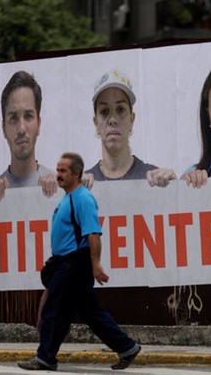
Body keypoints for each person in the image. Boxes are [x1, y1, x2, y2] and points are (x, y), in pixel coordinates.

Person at [18, 152, 141, 371]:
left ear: (77, 173)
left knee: (53, 311)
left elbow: (93, 234)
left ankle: (45, 357)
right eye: (57, 170)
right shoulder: (68, 198)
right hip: (66, 264)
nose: (58, 175)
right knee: (91, 313)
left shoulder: (83, 199)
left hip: (73, 264)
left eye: (63, 171)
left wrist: (95, 265)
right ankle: (127, 347)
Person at [86, 70, 176, 186]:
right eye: (104, 111)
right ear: (96, 123)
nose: (113, 120)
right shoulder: (82, 186)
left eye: (120, 110)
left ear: (131, 119)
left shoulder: (154, 180)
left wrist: (174, 189)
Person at [0, 70, 58, 200]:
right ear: (4, 128)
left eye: (28, 116)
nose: (21, 128)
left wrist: (61, 193)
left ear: (39, 124)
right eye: (13, 118)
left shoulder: (60, 188)